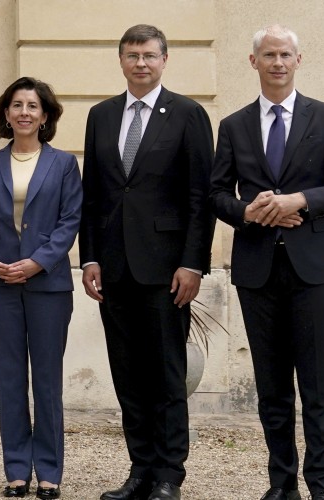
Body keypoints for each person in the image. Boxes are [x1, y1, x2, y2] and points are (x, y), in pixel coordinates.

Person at [209, 25, 324, 500]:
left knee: (317, 387)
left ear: (299, 61)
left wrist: (301, 199)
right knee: (272, 390)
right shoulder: (234, 125)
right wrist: (247, 211)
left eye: (285, 54)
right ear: (253, 61)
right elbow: (217, 194)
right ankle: (281, 485)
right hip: (257, 270)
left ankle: (322, 488)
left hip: (315, 271)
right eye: (268, 54)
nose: (277, 62)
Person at [79, 25, 214, 500]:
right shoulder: (101, 115)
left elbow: (201, 197)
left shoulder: (188, 114)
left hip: (165, 270)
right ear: (120, 61)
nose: (141, 63)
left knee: (166, 375)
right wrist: (89, 257)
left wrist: (194, 263)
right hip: (113, 269)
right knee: (128, 375)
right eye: (132, 55)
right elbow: (93, 195)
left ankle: (169, 474)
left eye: (149, 55)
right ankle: (139, 470)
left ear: (164, 60)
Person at [0, 77, 80, 500]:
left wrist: (37, 262)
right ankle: (17, 470)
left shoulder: (64, 164)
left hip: (48, 285)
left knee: (47, 380)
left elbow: (71, 221)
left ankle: (49, 471)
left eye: (32, 106)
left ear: (45, 115)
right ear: (6, 114)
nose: (24, 113)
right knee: (10, 379)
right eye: (17, 105)